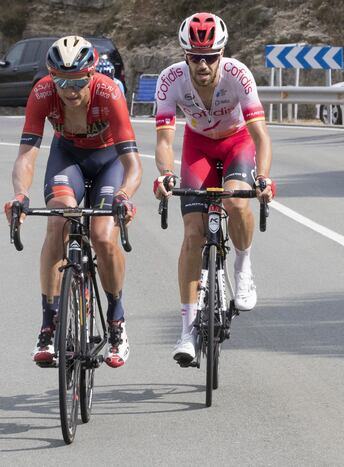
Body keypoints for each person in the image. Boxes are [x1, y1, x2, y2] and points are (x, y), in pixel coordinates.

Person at [5, 36, 142, 368]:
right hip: (67, 159)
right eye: (61, 80)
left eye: (78, 80)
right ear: (51, 77)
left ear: (91, 74)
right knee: (58, 220)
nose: (70, 89)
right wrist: (20, 196)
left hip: (108, 160)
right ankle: (49, 324)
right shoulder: (41, 93)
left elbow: (133, 164)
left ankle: (116, 320)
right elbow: (26, 155)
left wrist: (124, 196)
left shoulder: (108, 92)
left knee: (103, 235)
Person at [153, 12, 275, 364]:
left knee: (236, 203)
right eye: (195, 57)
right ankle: (187, 331)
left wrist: (263, 177)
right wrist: (165, 173)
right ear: (185, 56)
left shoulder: (238, 74)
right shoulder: (170, 81)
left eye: (210, 57)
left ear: (222, 54)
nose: (203, 64)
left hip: (237, 144)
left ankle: (243, 264)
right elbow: (164, 140)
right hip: (198, 147)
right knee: (193, 235)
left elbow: (261, 136)